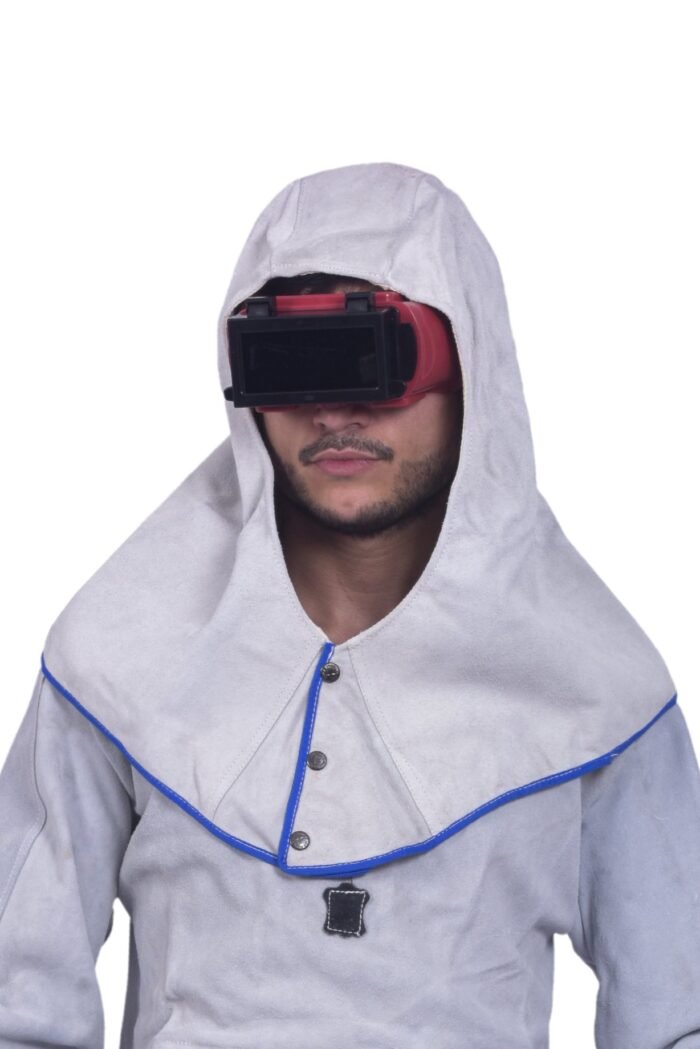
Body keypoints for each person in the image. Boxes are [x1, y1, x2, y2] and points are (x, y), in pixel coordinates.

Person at [1, 161, 699, 1048]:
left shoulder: (600, 692)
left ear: (471, 363)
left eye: (376, 357)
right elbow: (17, 998)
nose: (335, 410)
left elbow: (678, 1014)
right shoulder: (117, 651)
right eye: (294, 362)